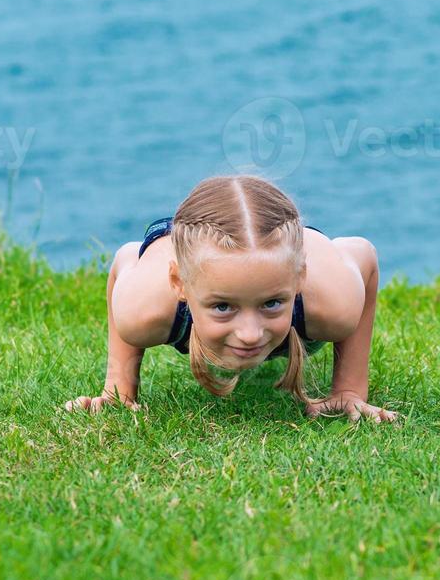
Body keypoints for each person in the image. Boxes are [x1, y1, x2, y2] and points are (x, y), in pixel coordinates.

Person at [64, 175, 399, 423]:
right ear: (179, 284)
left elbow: (364, 255)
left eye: (271, 304)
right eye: (223, 307)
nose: (250, 333)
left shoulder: (331, 302)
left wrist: (349, 389)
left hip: (280, 242)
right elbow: (124, 261)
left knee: (336, 296)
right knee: (141, 298)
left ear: (299, 279)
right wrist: (119, 390)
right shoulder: (144, 309)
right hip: (186, 246)